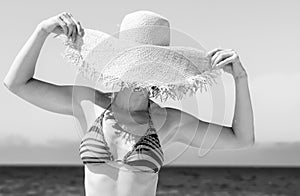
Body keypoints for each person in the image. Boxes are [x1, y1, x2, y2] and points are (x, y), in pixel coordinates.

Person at [3, 10, 254, 196]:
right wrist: (41, 31)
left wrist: (241, 79)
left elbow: (241, 139)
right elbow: (17, 84)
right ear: (119, 60)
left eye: (150, 63)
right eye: (135, 60)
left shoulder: (168, 122)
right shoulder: (89, 103)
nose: (140, 72)